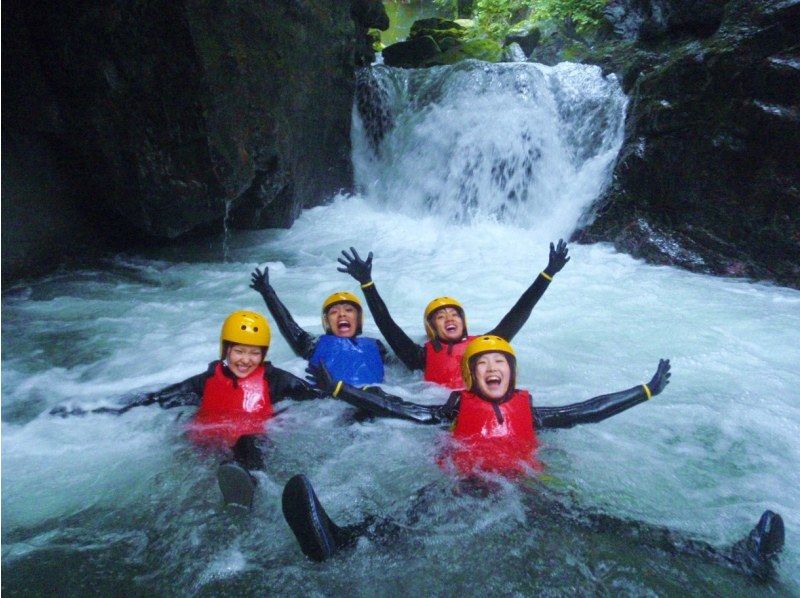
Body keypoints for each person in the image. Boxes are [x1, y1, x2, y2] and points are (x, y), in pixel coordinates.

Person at [281, 336, 785, 581]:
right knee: (414, 511)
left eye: (501, 362)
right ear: (472, 376)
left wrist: (645, 391)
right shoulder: (452, 413)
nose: (494, 368)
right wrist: (342, 389)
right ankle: (339, 542)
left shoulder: (533, 411)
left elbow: (586, 412)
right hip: (464, 485)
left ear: (512, 373)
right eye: (485, 364)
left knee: (608, 522)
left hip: (522, 491)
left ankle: (733, 558)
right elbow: (394, 405)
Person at [51, 310, 322, 510]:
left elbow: (314, 396)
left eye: (254, 353)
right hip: (210, 442)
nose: (245, 360)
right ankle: (232, 479)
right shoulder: (204, 382)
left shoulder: (276, 380)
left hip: (251, 445)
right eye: (239, 351)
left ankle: (249, 481)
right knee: (207, 448)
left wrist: (341, 393)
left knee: (249, 441)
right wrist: (98, 409)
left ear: (263, 355)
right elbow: (157, 398)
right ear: (225, 350)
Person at [336, 240, 570, 388]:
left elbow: (519, 312)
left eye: (454, 314)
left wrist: (547, 274)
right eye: (441, 317)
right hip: (437, 410)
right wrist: (367, 283)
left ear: (463, 321)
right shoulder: (420, 357)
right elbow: (387, 325)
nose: (449, 319)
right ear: (432, 329)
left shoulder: (485, 346)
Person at [250, 267, 387, 386]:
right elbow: (287, 324)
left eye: (349, 310)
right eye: (334, 312)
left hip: (375, 401)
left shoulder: (377, 345)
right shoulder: (312, 344)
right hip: (328, 408)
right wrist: (267, 292)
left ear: (359, 319)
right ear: (326, 322)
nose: (341, 315)